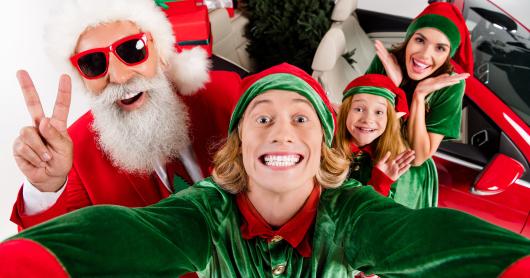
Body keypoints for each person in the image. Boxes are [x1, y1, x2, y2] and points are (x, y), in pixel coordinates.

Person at [1, 63, 529, 277]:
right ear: (237, 142)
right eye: (263, 118)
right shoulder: (203, 211)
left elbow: (426, 237)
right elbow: (121, 233)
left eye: (302, 118)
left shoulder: (353, 212)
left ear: (324, 142)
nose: (282, 131)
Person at [11, 0, 241, 229]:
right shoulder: (71, 155)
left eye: (132, 50)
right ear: (83, 80)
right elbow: (50, 250)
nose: (119, 77)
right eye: (93, 63)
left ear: (159, 52)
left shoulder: (225, 94)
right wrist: (47, 187)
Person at [365, 2, 471, 208]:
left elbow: (419, 156)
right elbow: (360, 123)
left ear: (448, 54)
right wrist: (393, 86)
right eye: (420, 40)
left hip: (408, 181)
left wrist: (419, 97)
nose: (424, 55)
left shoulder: (450, 86)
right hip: (369, 160)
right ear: (409, 38)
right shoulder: (387, 61)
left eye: (440, 48)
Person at [334, 74, 415, 198]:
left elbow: (377, 214)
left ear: (390, 120)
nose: (368, 120)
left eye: (379, 112)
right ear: (345, 111)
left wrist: (381, 183)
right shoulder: (325, 147)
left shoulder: (394, 162)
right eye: (359, 109)